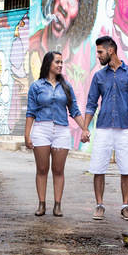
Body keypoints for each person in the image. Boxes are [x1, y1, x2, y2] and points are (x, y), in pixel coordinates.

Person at [82, 36, 128, 221]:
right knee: (98, 168)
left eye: (100, 52)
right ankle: (99, 205)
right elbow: (91, 103)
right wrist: (85, 128)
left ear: (111, 51)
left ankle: (125, 207)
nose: (98, 56)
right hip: (103, 128)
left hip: (125, 128)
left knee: (127, 169)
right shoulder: (99, 76)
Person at [24, 51, 87, 217]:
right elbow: (31, 112)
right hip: (41, 129)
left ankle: (57, 205)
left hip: (61, 130)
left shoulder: (66, 87)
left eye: (61, 62)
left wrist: (85, 128)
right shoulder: (36, 86)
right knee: (42, 169)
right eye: (57, 62)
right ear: (48, 64)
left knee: (58, 170)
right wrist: (27, 135)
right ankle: (41, 204)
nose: (60, 65)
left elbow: (74, 111)